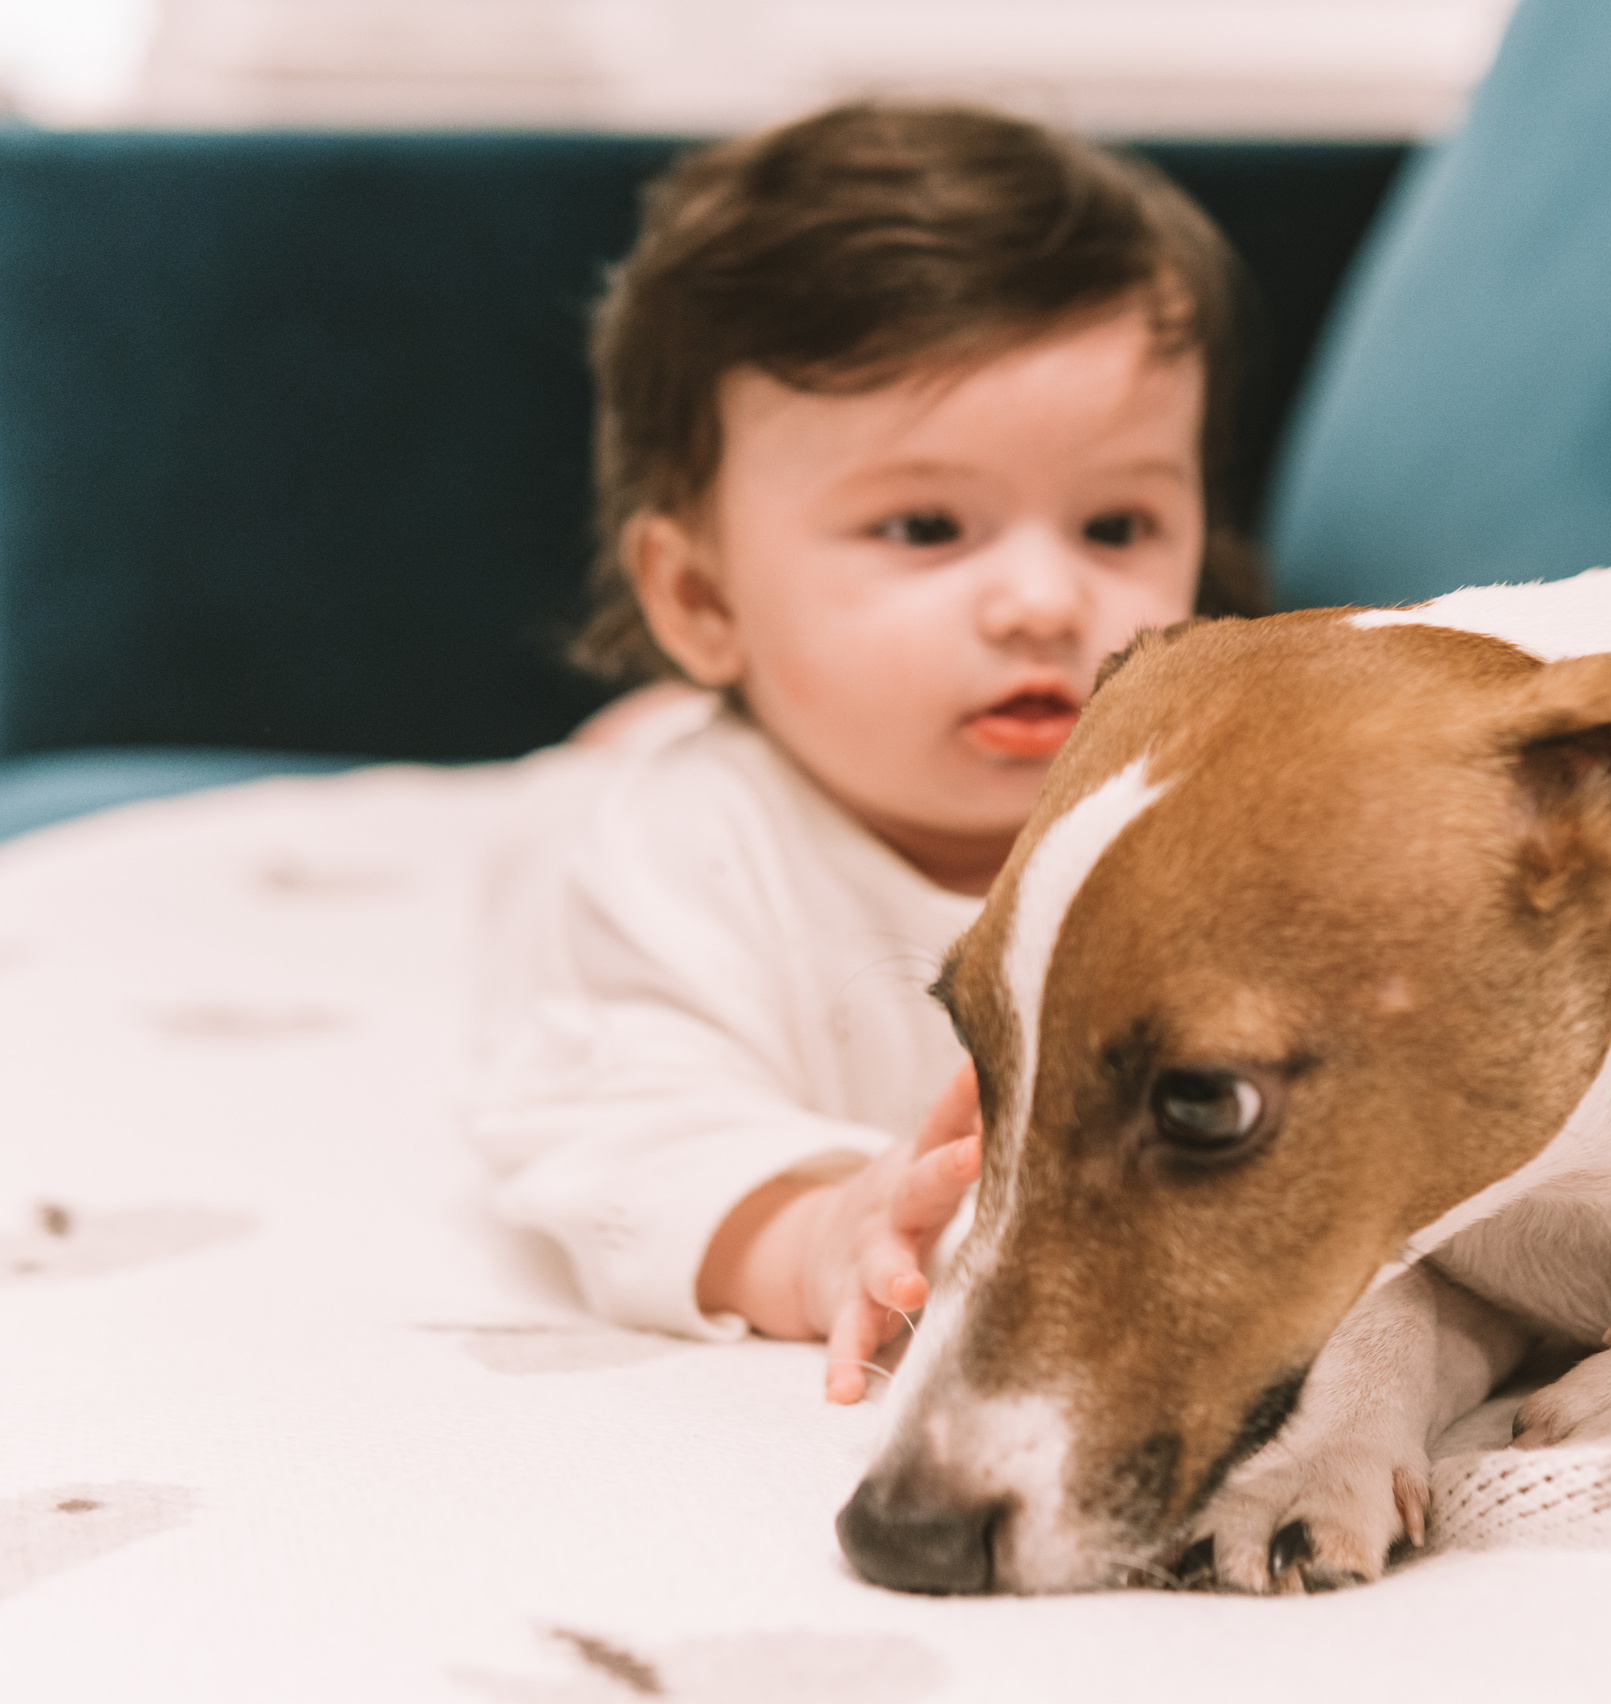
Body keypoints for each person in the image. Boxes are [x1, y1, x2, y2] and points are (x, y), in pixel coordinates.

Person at [468, 101, 1260, 1403]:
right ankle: (624, 735)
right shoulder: (681, 860)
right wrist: (818, 1231)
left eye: (1117, 524)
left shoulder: (1202, 822)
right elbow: (624, 1141)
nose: (1044, 603)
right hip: (629, 823)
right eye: (926, 527)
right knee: (579, 809)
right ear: (704, 602)